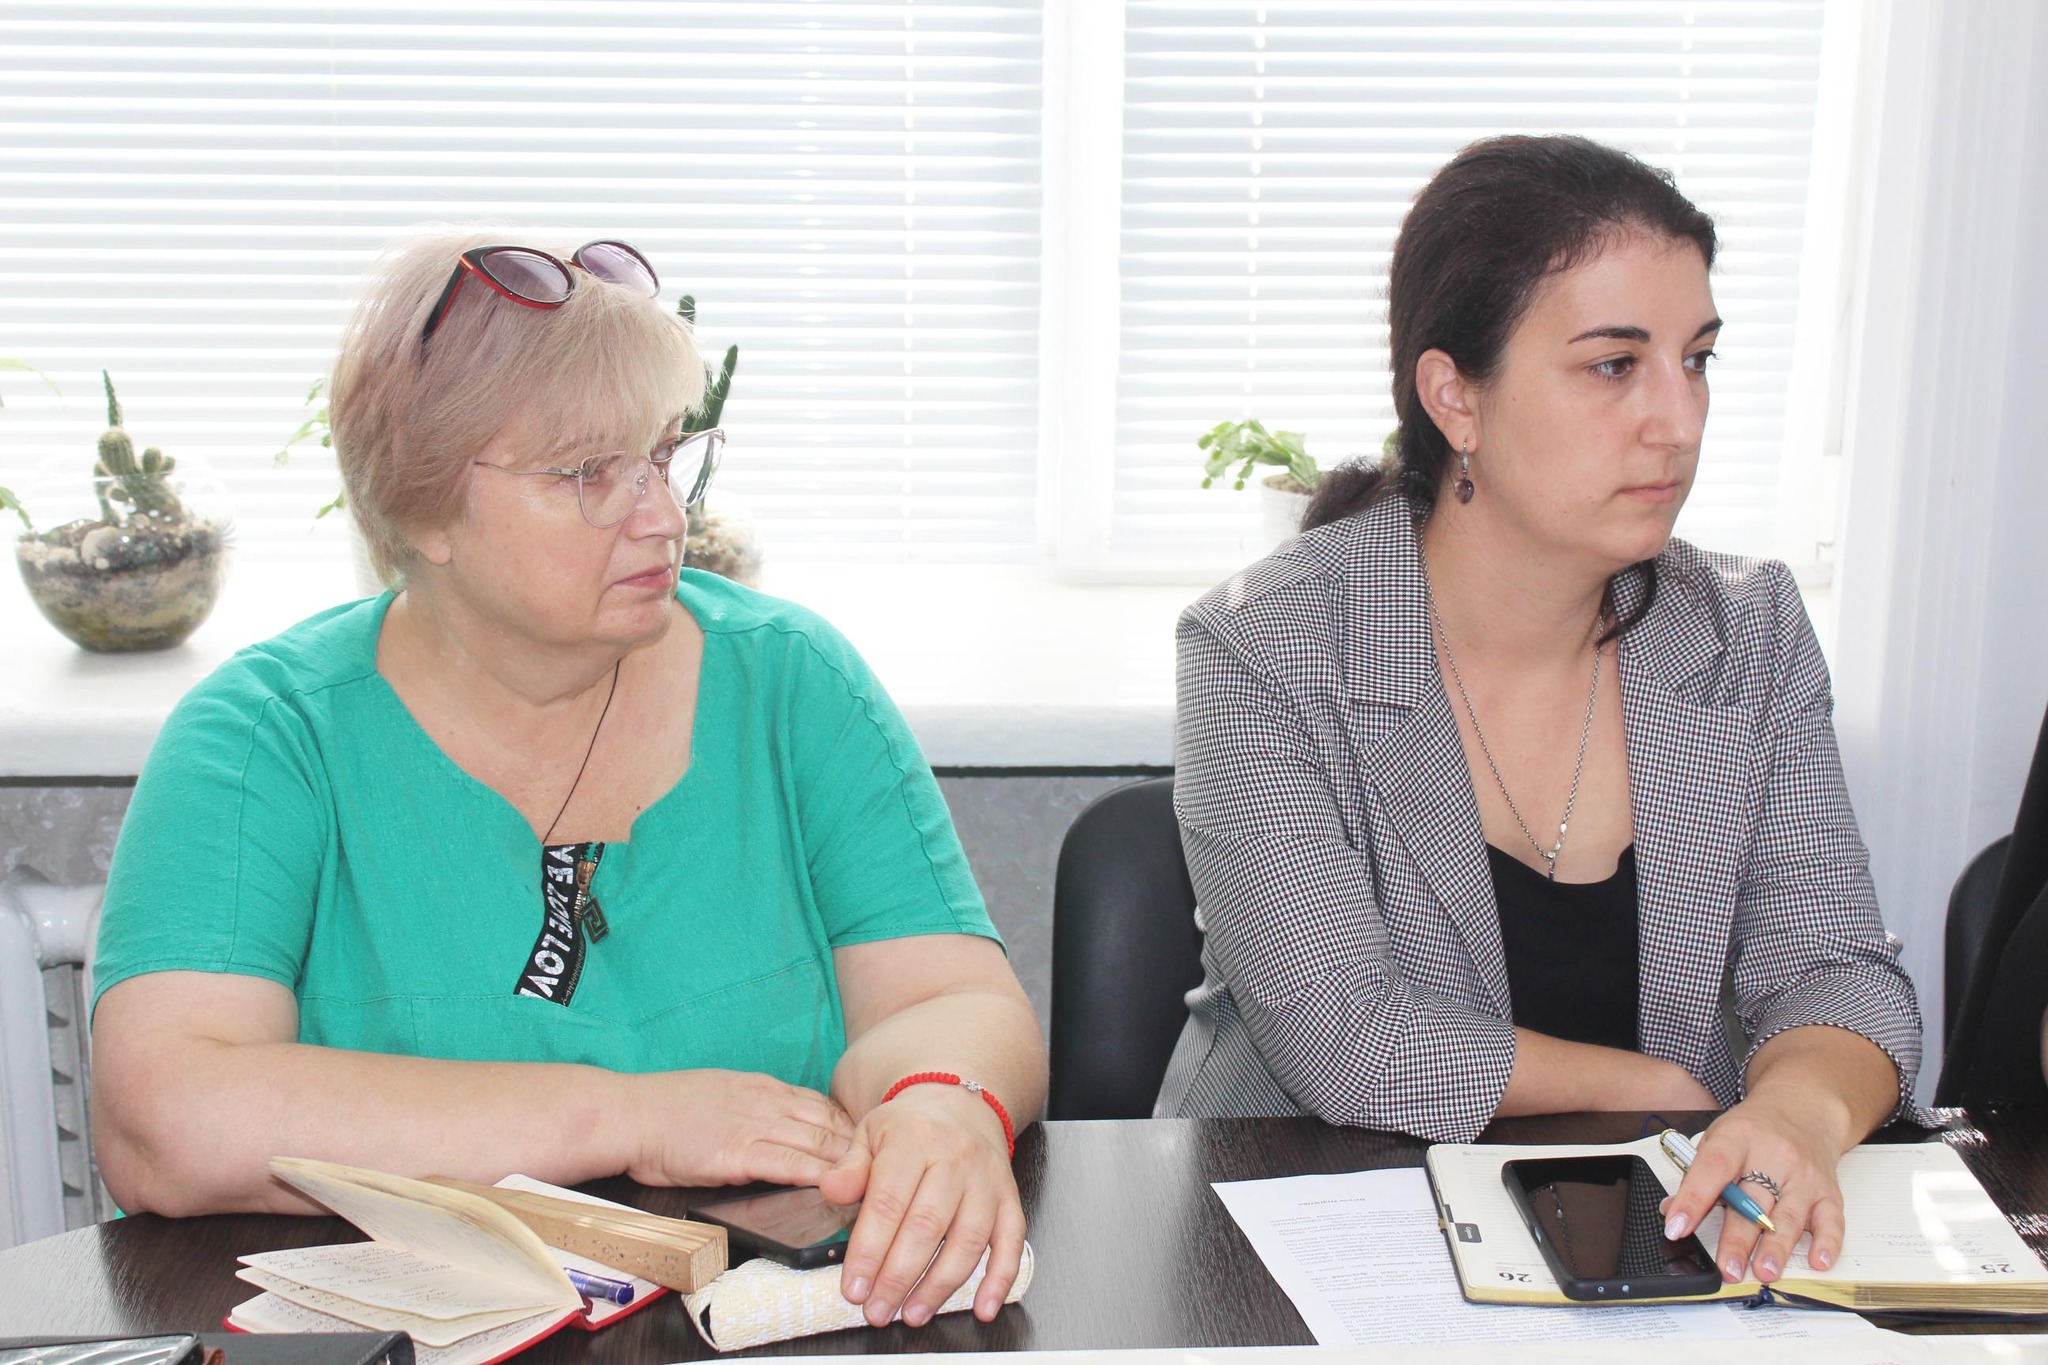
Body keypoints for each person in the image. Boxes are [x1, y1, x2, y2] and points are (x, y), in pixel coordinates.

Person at [90, 232, 1046, 1331]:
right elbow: (167, 1120)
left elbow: (952, 1000)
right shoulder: (265, 736)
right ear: (422, 504)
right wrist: (630, 1118)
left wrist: (941, 1106)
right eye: (589, 473)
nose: (661, 515)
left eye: (663, 457)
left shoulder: (790, 680)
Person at [1155, 135, 1923, 1290]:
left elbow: (1835, 970)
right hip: (1308, 1221)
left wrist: (1797, 1114)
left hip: (1652, 1234)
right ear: (1453, 396)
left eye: (1695, 360)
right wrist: (1663, 1090)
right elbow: (1345, 1038)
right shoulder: (1266, 648)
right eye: (1613, 365)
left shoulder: (1746, 632)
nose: (1677, 420)